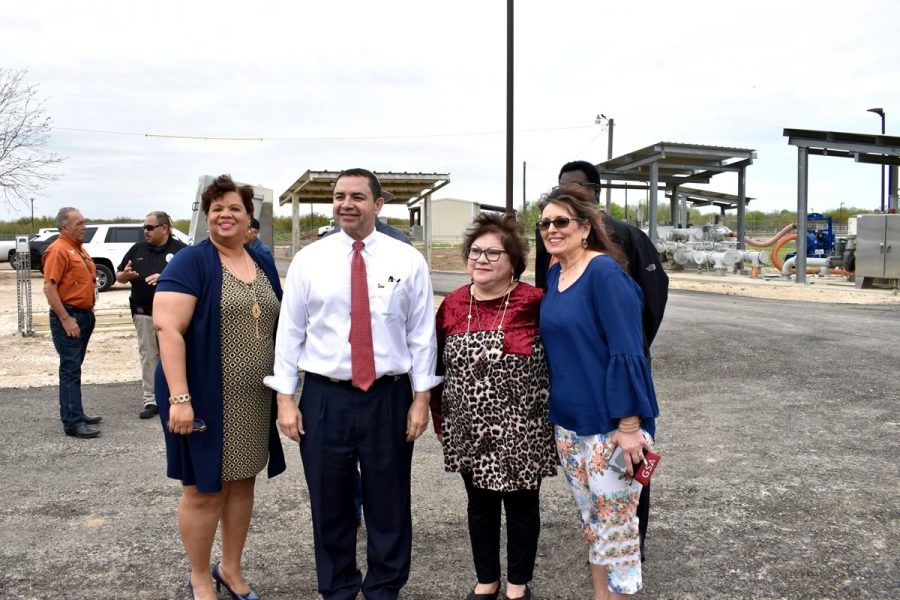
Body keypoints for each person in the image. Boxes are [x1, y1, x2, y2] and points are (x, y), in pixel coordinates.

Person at [267, 168, 439, 600]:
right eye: (340, 195)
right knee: (330, 501)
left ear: (378, 205)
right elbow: (290, 333)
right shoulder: (311, 259)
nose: (347, 204)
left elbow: (422, 335)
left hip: (388, 396)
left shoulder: (406, 260)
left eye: (358, 196)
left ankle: (384, 587)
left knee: (389, 501)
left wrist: (422, 400)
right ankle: (338, 587)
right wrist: (285, 399)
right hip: (326, 396)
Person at [153, 174, 286, 600]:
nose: (225, 215)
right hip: (202, 396)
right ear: (207, 217)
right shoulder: (191, 261)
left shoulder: (260, 261)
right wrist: (180, 398)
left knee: (242, 482)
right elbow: (167, 329)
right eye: (217, 209)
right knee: (202, 488)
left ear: (250, 219)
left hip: (251, 400)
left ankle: (230, 568)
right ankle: (199, 577)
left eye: (235, 209)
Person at [535, 160, 668, 559]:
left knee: (617, 534)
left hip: (610, 422)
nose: (552, 230)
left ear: (586, 224)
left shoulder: (607, 270)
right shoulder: (556, 271)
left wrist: (629, 424)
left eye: (562, 221)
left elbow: (634, 331)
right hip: (570, 424)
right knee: (595, 526)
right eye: (545, 224)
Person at [430, 212, 556, 600]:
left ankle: (518, 585)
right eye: (475, 251)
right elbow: (435, 365)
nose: (480, 259)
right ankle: (487, 580)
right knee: (480, 506)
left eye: (492, 253)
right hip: (470, 428)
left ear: (514, 261)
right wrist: (440, 419)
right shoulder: (452, 305)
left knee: (521, 508)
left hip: (523, 429)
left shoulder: (534, 303)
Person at [116, 211, 187, 419]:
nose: (145, 231)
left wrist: (166, 277)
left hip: (175, 316)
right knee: (149, 356)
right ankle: (151, 400)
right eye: (144, 227)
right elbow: (120, 276)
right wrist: (124, 276)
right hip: (144, 313)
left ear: (164, 228)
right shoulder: (137, 249)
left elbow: (194, 281)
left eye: (149, 227)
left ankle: (178, 394)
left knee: (176, 355)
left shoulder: (181, 251)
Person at [42, 207, 101, 438]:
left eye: (84, 222)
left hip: (84, 315)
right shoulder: (58, 250)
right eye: (79, 224)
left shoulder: (78, 250)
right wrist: (66, 319)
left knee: (75, 367)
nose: (84, 227)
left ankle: (75, 412)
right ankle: (72, 422)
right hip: (69, 316)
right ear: (64, 227)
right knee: (70, 369)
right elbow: (49, 288)